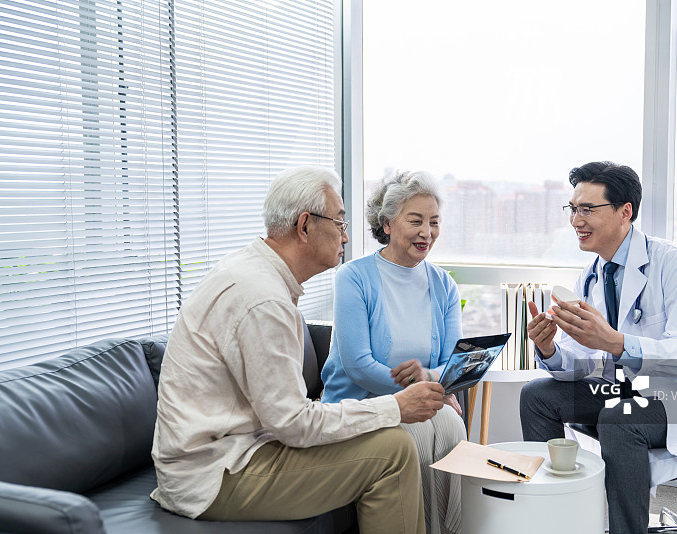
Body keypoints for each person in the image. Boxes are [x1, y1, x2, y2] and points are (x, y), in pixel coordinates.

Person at [151, 166, 447, 534]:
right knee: (393, 451)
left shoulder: (259, 275)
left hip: (241, 450)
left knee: (393, 440)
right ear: (305, 226)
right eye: (339, 223)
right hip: (215, 473)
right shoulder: (262, 298)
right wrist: (396, 406)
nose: (346, 236)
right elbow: (293, 424)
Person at [519, 161, 677, 534]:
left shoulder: (675, 264)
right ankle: (557, 520)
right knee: (537, 396)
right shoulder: (592, 275)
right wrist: (549, 349)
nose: (575, 220)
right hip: (637, 392)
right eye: (572, 209)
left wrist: (616, 343)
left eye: (587, 209)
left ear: (624, 212)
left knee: (621, 417)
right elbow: (582, 366)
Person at [321, 170, 467, 534]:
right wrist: (416, 394)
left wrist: (431, 385)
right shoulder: (353, 277)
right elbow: (358, 366)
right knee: (412, 434)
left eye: (434, 222)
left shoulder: (443, 284)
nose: (427, 232)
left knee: (452, 425)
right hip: (362, 405)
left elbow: (450, 361)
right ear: (386, 224)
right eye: (415, 220)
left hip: (423, 401)